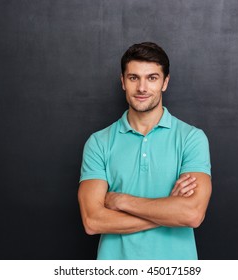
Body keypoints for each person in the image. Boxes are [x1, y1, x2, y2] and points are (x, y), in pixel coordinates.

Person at [78, 42, 212, 260]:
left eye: (152, 78)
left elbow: (192, 214)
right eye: (133, 78)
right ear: (123, 81)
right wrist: (168, 211)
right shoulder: (98, 142)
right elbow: (93, 222)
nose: (142, 88)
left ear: (165, 82)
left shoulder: (191, 138)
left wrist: (121, 201)